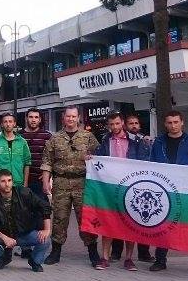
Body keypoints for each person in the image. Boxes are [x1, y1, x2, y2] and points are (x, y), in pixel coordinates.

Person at [147, 110, 188, 274]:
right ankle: (160, 259)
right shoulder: (159, 142)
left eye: (176, 122)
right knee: (164, 225)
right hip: (165, 191)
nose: (173, 125)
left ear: (182, 122)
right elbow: (152, 164)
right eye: (169, 122)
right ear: (165, 124)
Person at [41, 106, 100, 266]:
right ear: (64, 118)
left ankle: (93, 253)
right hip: (60, 183)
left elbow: (99, 158)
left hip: (82, 183)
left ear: (78, 118)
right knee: (59, 218)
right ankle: (55, 252)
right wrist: (46, 182)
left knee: (85, 217)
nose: (71, 119)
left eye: (74, 116)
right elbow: (47, 161)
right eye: (68, 116)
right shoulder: (55, 138)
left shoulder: (88, 137)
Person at [92, 112, 149, 271]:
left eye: (117, 124)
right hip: (110, 187)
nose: (114, 127)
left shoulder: (137, 141)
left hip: (131, 187)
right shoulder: (105, 140)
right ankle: (104, 257)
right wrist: (91, 159)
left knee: (130, 223)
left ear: (122, 123)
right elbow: (99, 158)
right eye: (111, 124)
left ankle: (129, 259)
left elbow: (144, 162)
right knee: (107, 221)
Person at [0, 170, 53, 271]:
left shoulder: (24, 193)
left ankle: (34, 261)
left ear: (12, 181)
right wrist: (5, 238)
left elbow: (44, 206)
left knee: (45, 240)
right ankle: (2, 258)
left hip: (25, 234)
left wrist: (47, 229)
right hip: (4, 236)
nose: (7, 184)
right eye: (3, 181)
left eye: (9, 180)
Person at [114, 114, 154, 262]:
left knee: (142, 219)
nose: (134, 126)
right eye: (131, 123)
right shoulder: (116, 139)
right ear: (125, 125)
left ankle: (144, 253)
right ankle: (116, 252)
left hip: (140, 186)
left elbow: (149, 160)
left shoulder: (145, 141)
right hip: (121, 183)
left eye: (136, 123)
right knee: (119, 219)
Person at [0, 112, 32, 188]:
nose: (8, 124)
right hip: (2, 183)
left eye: (10, 121)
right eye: (5, 122)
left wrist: (25, 184)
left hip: (19, 183)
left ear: (14, 124)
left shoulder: (22, 142)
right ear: (2, 124)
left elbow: (27, 163)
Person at [22, 108, 52, 198]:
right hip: (21, 179)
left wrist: (48, 174)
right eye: (31, 117)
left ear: (40, 119)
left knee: (40, 210)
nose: (33, 120)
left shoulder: (47, 136)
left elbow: (53, 158)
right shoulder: (19, 136)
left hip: (39, 181)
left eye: (36, 117)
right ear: (26, 118)